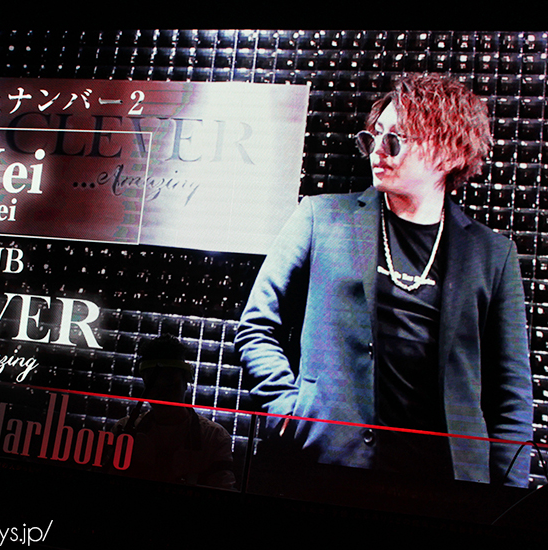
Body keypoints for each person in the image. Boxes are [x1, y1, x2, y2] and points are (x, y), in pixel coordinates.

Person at [235, 73, 533, 486]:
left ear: (449, 152)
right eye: (373, 137)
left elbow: (511, 392)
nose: (378, 150)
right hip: (325, 462)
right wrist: (287, 409)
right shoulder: (320, 218)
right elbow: (256, 325)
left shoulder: (493, 255)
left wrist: (507, 497)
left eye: (395, 140)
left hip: (444, 482)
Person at [112, 334, 236, 489]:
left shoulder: (214, 438)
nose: (162, 393)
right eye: (154, 385)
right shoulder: (123, 431)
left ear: (186, 382)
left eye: (170, 383)